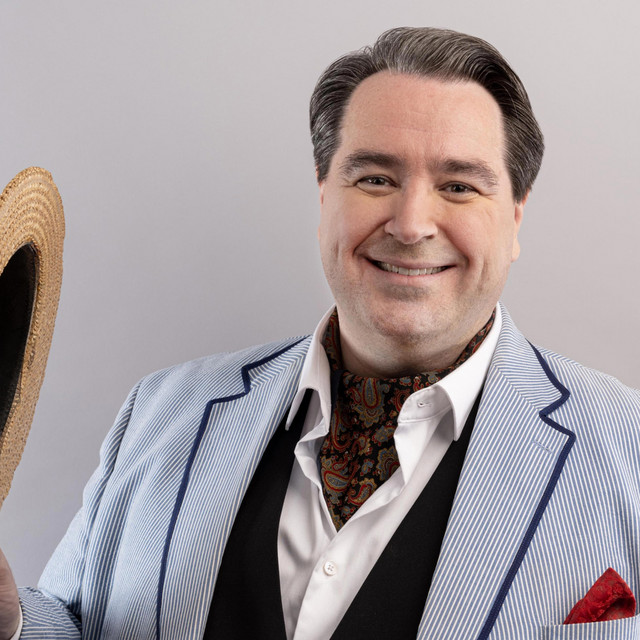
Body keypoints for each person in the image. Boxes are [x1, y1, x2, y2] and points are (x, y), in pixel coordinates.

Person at [2, 26, 640, 640]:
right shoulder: (160, 412)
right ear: (324, 194)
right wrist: (12, 623)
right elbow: (78, 623)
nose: (412, 224)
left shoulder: (628, 453)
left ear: (516, 216)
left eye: (458, 186)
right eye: (376, 179)